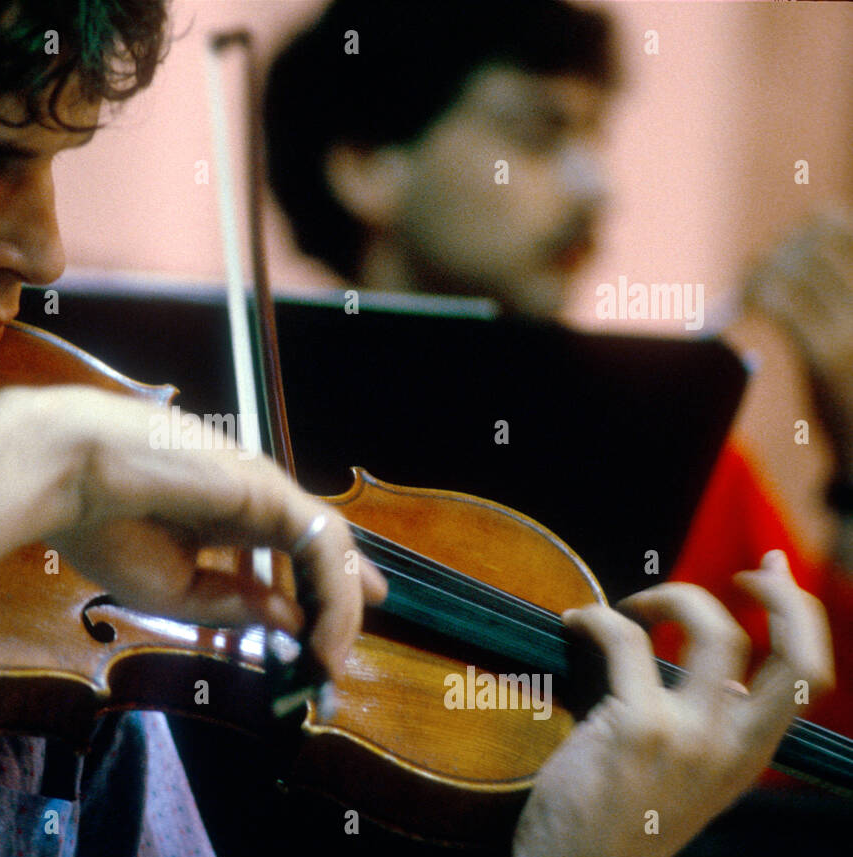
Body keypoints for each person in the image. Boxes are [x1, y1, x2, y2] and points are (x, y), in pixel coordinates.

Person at [0, 0, 833, 857]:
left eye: (54, 165)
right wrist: (40, 461)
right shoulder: (37, 481)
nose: (40, 252)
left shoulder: (49, 599)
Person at [263, 0, 853, 747]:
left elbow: (815, 753)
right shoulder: (246, 413)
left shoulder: (673, 444)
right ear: (365, 167)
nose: (595, 188)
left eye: (594, 137)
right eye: (538, 136)